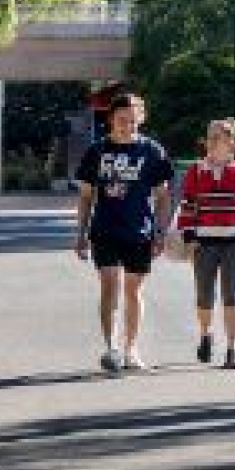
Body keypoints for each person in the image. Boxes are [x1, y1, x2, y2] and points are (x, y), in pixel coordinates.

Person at [74, 92, 172, 372]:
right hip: (104, 229)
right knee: (109, 287)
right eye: (121, 120)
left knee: (133, 290)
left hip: (139, 230)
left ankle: (131, 349)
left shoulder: (152, 151)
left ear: (140, 120)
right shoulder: (97, 151)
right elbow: (85, 196)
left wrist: (161, 232)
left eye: (132, 121)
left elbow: (163, 197)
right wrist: (80, 234)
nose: (127, 126)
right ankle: (111, 348)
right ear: (111, 120)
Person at [175, 118, 235, 370]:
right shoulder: (197, 170)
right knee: (204, 296)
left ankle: (232, 348)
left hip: (234, 243)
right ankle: (206, 335)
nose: (217, 140)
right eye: (213, 136)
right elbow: (188, 205)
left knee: (232, 296)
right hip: (203, 243)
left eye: (223, 136)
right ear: (206, 141)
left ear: (233, 141)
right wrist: (188, 236)